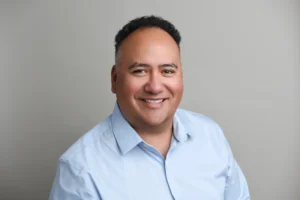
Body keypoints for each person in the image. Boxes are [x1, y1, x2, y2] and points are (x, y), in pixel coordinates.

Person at [49, 15, 250, 200]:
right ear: (114, 79)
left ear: (180, 76)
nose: (154, 87)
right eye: (140, 71)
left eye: (167, 71)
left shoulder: (210, 135)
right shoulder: (80, 170)